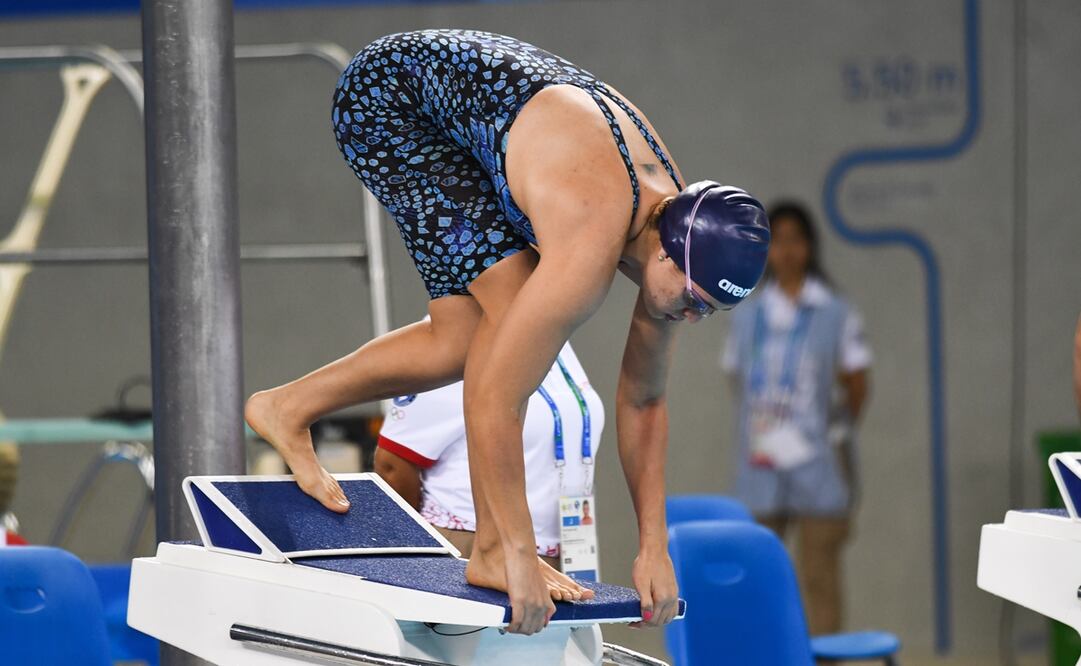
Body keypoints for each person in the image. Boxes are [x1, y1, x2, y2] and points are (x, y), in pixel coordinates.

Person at [246, 29, 770, 635]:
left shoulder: (674, 235)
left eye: (709, 311)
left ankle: (287, 407)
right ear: (667, 256)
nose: (690, 317)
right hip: (388, 102)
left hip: (466, 124)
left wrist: (654, 544)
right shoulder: (591, 235)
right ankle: (493, 550)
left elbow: (645, 400)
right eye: (693, 300)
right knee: (511, 328)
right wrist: (518, 552)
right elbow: (496, 398)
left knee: (463, 340)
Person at [721, 201, 870, 636]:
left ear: (809, 247)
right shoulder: (747, 312)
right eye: (776, 242)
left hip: (815, 463)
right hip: (761, 463)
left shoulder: (834, 310)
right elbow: (737, 378)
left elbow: (857, 382)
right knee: (756, 576)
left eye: (795, 241)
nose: (786, 252)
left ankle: (823, 659)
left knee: (819, 579)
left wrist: (834, 431)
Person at [374, 341, 602, 573]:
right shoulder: (456, 340)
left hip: (567, 546)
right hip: (470, 543)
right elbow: (393, 464)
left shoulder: (552, 329)